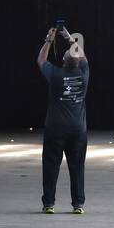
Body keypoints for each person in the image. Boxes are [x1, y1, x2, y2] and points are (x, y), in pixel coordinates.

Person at [37, 25, 90, 214]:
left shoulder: (56, 75)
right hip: (77, 130)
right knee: (77, 167)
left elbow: (41, 59)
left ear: (62, 61)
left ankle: (49, 204)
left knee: (51, 165)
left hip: (55, 128)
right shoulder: (83, 74)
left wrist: (49, 40)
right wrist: (69, 37)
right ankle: (78, 204)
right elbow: (83, 57)